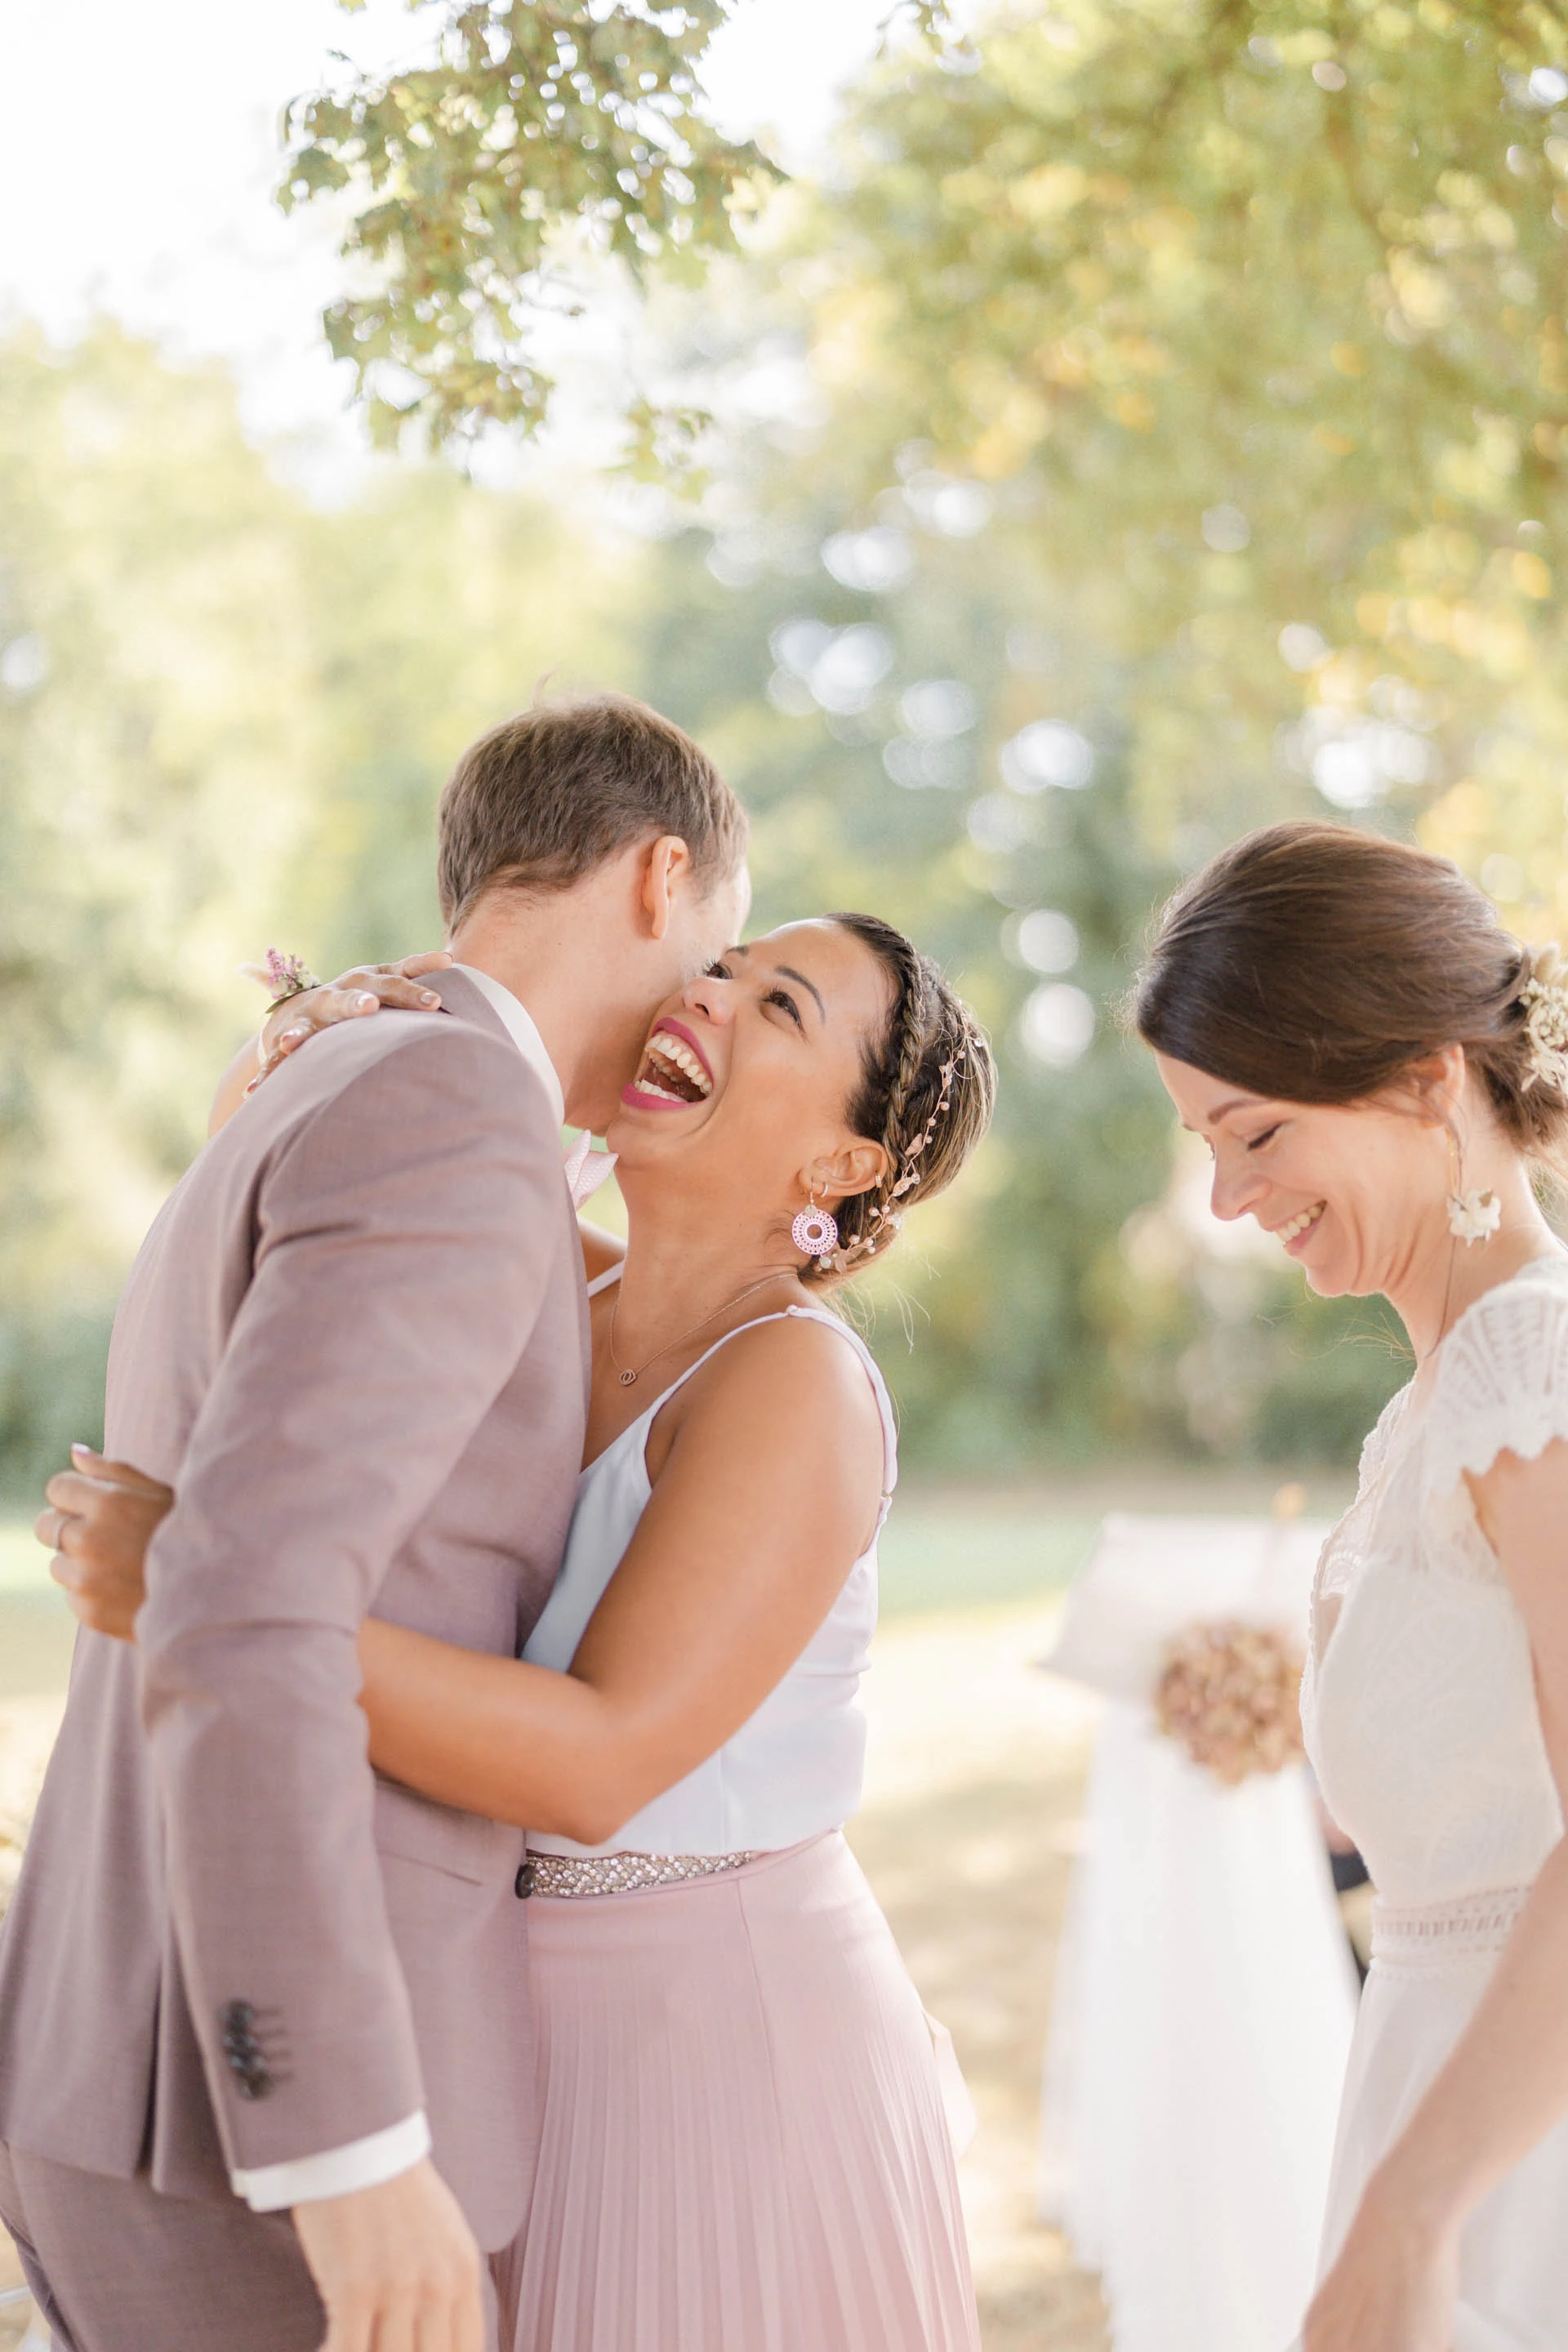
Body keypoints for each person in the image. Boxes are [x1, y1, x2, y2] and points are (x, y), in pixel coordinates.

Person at [37, 908, 995, 2350]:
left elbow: (602, 1760)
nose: (712, 995)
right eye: (724, 967)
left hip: (718, 2050)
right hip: (506, 2025)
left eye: (780, 1004)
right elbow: (303, 1186)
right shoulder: (550, 1270)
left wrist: (201, 1585)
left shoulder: (794, 1387)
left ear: (845, 1167)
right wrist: (308, 1048)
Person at [0, 692, 751, 2352]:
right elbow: (242, 1611)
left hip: (120, 2050)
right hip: (268, 2118)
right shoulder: (452, 1120)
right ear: (660, 875)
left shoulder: (330, 1083)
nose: (707, 1006)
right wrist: (343, 2139)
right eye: (721, 953)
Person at [1134, 818, 1568, 2352]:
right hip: (1436, 2094)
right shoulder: (1433, 1408)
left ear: (1421, 1080)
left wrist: (1416, 2215)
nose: (1235, 1201)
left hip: (1515, 2167)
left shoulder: (1531, 1360)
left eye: (1258, 1134)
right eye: (1208, 1149)